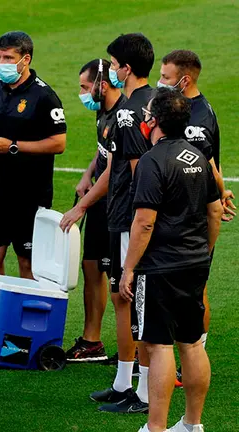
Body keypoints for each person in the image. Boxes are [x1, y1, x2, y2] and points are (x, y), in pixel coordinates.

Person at [120, 88, 222, 432]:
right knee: (192, 342)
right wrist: (202, 253)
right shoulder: (197, 156)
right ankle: (192, 425)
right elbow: (215, 210)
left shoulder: (152, 160)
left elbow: (144, 221)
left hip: (159, 267)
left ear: (156, 122)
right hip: (194, 264)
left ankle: (156, 428)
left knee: (159, 345)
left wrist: (129, 268)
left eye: (147, 115)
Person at [157, 51, 233, 380]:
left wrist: (218, 194)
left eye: (165, 76)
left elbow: (206, 164)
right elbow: (214, 163)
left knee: (195, 290)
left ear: (184, 80)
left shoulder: (195, 120)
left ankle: (192, 354)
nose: (160, 81)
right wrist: (223, 187)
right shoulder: (193, 108)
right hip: (187, 217)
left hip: (191, 221)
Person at [90, 32, 154, 414]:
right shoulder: (143, 103)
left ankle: (144, 393)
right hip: (123, 217)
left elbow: (136, 171)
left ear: (126, 68)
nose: (111, 70)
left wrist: (136, 224)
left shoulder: (129, 112)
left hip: (131, 219)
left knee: (135, 303)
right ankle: (123, 381)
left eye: (113, 65)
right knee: (123, 299)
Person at [0, 31, 67, 279]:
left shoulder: (44, 96)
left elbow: (59, 142)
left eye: (8, 57)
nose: (2, 63)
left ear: (26, 59)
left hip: (31, 194)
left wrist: (12, 146)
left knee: (28, 262)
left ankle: (29, 317)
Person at [61, 59, 125, 362]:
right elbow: (103, 152)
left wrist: (81, 208)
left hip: (118, 203)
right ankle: (92, 341)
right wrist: (88, 174)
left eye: (85, 87)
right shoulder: (104, 110)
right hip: (101, 197)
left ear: (102, 84)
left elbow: (114, 170)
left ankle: (136, 351)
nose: (82, 94)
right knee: (91, 265)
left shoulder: (123, 114)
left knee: (118, 276)